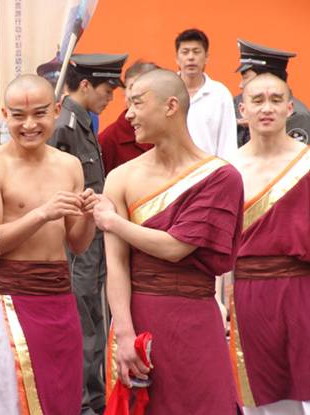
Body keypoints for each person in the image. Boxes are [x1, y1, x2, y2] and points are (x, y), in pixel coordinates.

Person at [95, 69, 243, 414]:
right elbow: (116, 264)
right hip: (138, 316)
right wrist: (124, 335)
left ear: (170, 106)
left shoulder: (220, 176)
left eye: (136, 103)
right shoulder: (121, 176)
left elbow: (176, 247)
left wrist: (114, 222)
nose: (128, 114)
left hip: (194, 318)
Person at [0, 74, 98, 414]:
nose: (29, 125)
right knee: (13, 402)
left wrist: (90, 214)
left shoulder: (68, 165)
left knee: (63, 398)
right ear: (3, 115)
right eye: (18, 116)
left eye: (39, 114)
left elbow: (78, 244)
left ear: (56, 111)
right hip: (13, 301)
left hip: (60, 300)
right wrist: (40, 214)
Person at [48, 52, 127, 415]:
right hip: (77, 239)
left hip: (91, 237)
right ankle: (83, 403)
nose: (111, 98)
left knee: (93, 314)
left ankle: (93, 397)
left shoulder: (83, 121)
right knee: (84, 317)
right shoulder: (64, 126)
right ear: (84, 85)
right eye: (107, 90)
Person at [229, 73, 310, 415]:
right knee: (258, 397)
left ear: (290, 108)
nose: (267, 108)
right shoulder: (226, 169)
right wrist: (219, 302)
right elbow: (219, 247)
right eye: (257, 100)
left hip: (303, 290)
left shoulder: (307, 162)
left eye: (276, 100)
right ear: (242, 109)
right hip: (247, 295)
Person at [175, 28, 237, 161]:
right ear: (177, 58)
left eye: (196, 52)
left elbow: (228, 142)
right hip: (171, 174)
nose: (191, 57)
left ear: (206, 57)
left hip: (209, 174)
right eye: (185, 52)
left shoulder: (220, 94)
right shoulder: (165, 90)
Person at [234, 38, 310, 146]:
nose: (241, 85)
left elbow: (293, 159)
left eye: (246, 78)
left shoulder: (298, 115)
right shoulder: (237, 104)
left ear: (268, 77)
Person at [98, 61, 158, 174]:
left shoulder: (169, 133)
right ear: (124, 93)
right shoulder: (108, 140)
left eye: (145, 87)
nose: (137, 94)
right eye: (132, 87)